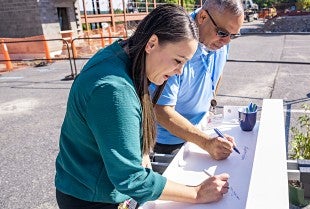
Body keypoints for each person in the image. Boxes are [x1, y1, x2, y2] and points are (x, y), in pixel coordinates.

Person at [55, 4, 230, 209]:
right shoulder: (114, 91)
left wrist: (142, 152)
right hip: (91, 198)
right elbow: (131, 179)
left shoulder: (125, 53)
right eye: (177, 60)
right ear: (152, 43)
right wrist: (197, 192)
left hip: (91, 184)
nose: (179, 71)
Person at [149, 0, 244, 169]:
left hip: (202, 130)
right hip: (170, 141)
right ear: (202, 16)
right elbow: (161, 110)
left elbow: (217, 73)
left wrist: (210, 106)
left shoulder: (218, 40)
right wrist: (206, 142)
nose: (227, 41)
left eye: (233, 35)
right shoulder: (177, 39)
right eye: (222, 33)